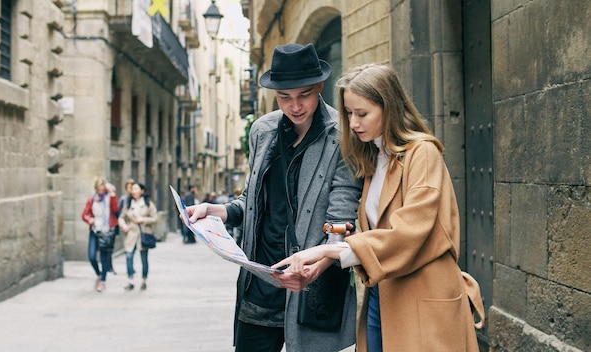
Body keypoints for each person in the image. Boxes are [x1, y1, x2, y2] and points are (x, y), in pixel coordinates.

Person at [272, 63, 482, 351]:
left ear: (390, 108)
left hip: (423, 297)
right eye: (348, 113)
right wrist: (324, 261)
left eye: (362, 113)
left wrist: (328, 249)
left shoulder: (423, 153)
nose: (354, 123)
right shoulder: (374, 157)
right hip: (381, 295)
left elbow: (409, 231)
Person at [185, 43, 362, 352]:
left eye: (304, 94)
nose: (295, 106)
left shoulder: (342, 137)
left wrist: (314, 268)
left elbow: (341, 222)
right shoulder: (262, 131)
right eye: (285, 97)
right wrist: (219, 211)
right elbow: (252, 202)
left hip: (312, 286)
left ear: (320, 86)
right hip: (261, 284)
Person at [81, 177, 119, 292]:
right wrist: (89, 220)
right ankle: (98, 273)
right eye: (99, 189)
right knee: (92, 256)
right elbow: (84, 214)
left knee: (104, 257)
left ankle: (103, 280)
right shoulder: (92, 199)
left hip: (106, 231)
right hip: (95, 230)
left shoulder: (110, 198)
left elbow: (116, 210)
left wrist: (112, 194)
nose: (101, 192)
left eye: (103, 189)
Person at [118, 182, 158, 291]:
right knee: (129, 256)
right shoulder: (128, 203)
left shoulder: (147, 203)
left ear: (142, 191)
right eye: (133, 189)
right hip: (131, 234)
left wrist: (143, 220)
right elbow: (121, 217)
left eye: (136, 189)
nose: (134, 191)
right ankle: (130, 280)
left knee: (144, 259)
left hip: (143, 234)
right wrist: (123, 225)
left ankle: (144, 280)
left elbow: (155, 218)